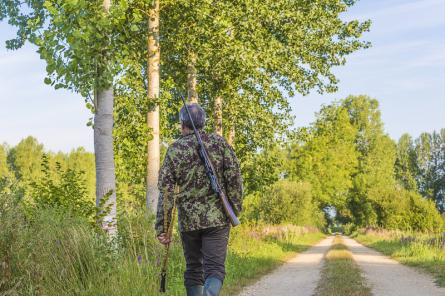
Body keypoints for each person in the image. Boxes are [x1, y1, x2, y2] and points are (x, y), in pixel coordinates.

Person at [155, 103, 243, 296]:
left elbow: (166, 192)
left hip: (188, 222)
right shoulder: (219, 143)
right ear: (203, 122)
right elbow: (234, 178)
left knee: (194, 269)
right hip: (217, 219)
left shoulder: (174, 150)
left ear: (182, 124)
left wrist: (162, 227)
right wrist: (234, 209)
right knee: (215, 270)